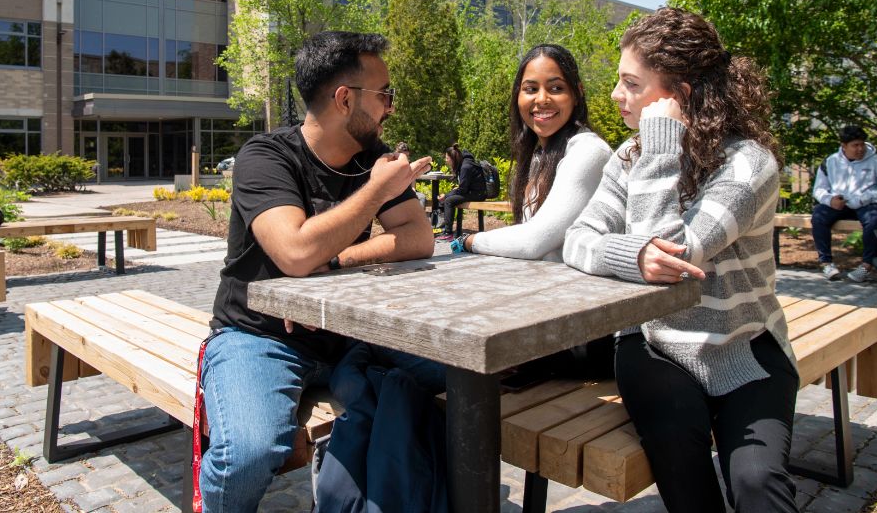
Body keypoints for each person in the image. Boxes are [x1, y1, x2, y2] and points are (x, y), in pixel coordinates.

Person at [563, 7, 799, 513]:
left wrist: (661, 148)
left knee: (757, 484)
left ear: (680, 95)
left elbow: (677, 257)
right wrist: (633, 255)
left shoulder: (748, 164)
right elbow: (578, 239)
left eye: (630, 83)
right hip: (654, 346)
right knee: (682, 468)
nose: (614, 95)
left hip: (745, 346)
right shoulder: (629, 157)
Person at [198, 31, 433, 513]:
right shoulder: (265, 156)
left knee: (476, 373)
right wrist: (375, 194)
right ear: (345, 99)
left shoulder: (373, 157)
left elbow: (417, 238)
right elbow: (296, 252)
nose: (390, 106)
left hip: (352, 334)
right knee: (247, 454)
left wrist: (338, 262)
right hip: (258, 336)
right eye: (384, 93)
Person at [454, 44, 611, 260]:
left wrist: (468, 240)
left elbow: (533, 241)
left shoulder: (588, 151)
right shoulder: (538, 157)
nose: (542, 99)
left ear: (577, 94)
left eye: (556, 88)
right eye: (531, 89)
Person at [811, 125, 877, 282]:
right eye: (855, 145)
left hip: (868, 203)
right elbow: (819, 189)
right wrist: (830, 200)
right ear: (844, 146)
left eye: (862, 144)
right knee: (818, 216)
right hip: (840, 203)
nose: (860, 149)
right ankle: (827, 264)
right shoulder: (830, 161)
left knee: (875, 220)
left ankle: (866, 267)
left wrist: (863, 199)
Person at [432, 143, 486, 240]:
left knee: (449, 200)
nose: (446, 160)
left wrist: (447, 195)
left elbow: (462, 190)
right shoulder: (463, 163)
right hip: (471, 191)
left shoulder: (465, 166)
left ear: (453, 158)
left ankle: (448, 233)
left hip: (478, 194)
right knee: (447, 198)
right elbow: (463, 187)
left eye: (447, 158)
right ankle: (442, 228)